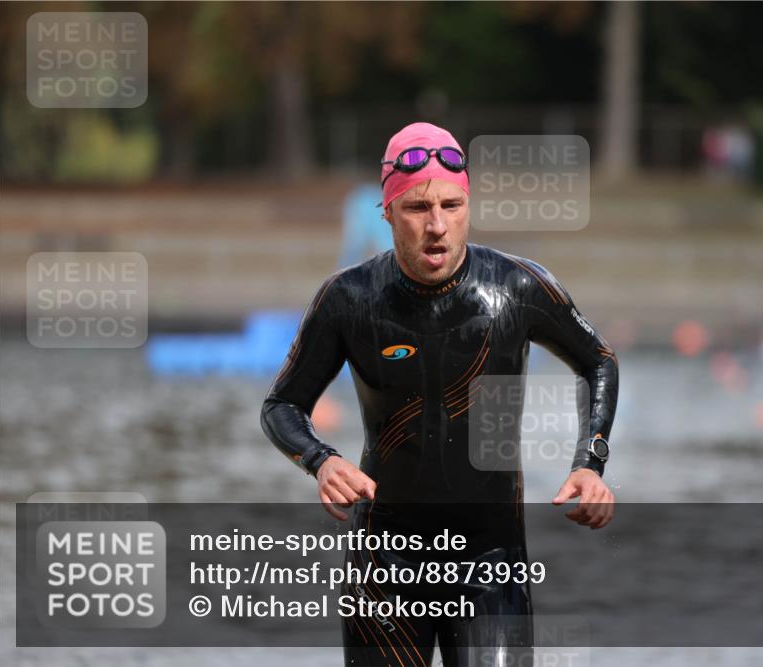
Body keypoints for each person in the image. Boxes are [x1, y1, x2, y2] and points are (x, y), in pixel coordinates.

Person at [261, 122, 620, 666]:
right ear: (386, 212)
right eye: (417, 208)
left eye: (452, 206)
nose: (437, 226)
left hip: (489, 561)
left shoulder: (517, 289)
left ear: (468, 206)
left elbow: (599, 361)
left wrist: (590, 463)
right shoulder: (348, 300)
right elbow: (281, 406)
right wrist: (322, 461)